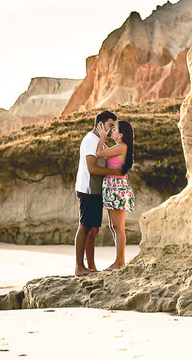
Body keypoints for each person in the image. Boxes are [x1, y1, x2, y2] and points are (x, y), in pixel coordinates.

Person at [74, 110, 117, 276]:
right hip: (88, 189)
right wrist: (112, 172)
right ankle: (79, 266)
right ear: (100, 125)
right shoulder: (90, 140)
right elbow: (92, 167)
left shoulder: (99, 141)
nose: (112, 129)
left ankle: (90, 266)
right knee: (85, 227)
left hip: (98, 190)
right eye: (110, 125)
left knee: (94, 229)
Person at [94, 119, 135, 270]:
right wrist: (101, 137)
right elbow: (105, 151)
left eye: (115, 129)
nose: (112, 131)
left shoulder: (122, 147)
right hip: (113, 187)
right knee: (115, 226)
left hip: (116, 187)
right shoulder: (119, 147)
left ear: (121, 135)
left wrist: (103, 137)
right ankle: (119, 261)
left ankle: (119, 262)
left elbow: (99, 153)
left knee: (118, 227)